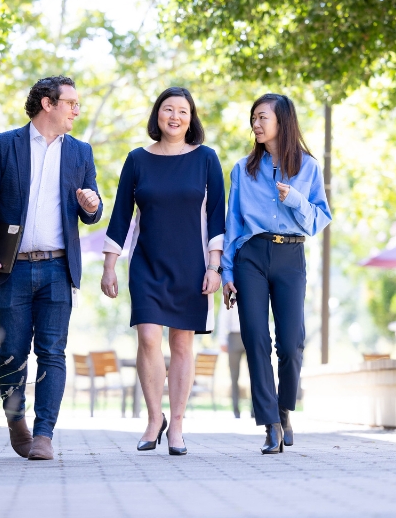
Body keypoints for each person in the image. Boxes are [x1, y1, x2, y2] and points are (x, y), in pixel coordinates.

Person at [0, 76, 102, 461]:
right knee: (11, 351)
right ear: (48, 104)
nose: (77, 110)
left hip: (60, 268)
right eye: (71, 103)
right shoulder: (4, 145)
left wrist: (92, 205)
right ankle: (16, 421)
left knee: (53, 352)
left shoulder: (80, 152)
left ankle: (44, 434)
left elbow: (91, 211)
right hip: (13, 268)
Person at [100, 87, 225, 456]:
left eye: (182, 111)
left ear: (191, 118)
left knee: (182, 343)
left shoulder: (206, 159)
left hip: (192, 265)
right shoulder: (138, 159)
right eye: (168, 109)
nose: (174, 116)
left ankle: (178, 425)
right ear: (157, 115)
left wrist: (215, 266)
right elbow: (121, 214)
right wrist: (110, 266)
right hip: (147, 264)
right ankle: (155, 419)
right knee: (149, 338)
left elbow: (217, 215)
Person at [222, 93, 332, 454]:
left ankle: (284, 410)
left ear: (282, 122)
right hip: (250, 255)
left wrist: (296, 199)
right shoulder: (242, 169)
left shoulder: (308, 168)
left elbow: (319, 220)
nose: (255, 124)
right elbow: (233, 222)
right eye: (253, 118)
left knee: (291, 342)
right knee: (255, 338)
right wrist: (226, 272)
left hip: (290, 254)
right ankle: (269, 423)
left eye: (262, 118)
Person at [216, 305, 252, 419]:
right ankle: (236, 410)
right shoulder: (230, 288)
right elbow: (223, 315)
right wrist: (222, 340)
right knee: (234, 376)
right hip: (233, 336)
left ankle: (255, 409)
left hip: (250, 334)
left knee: (254, 375)